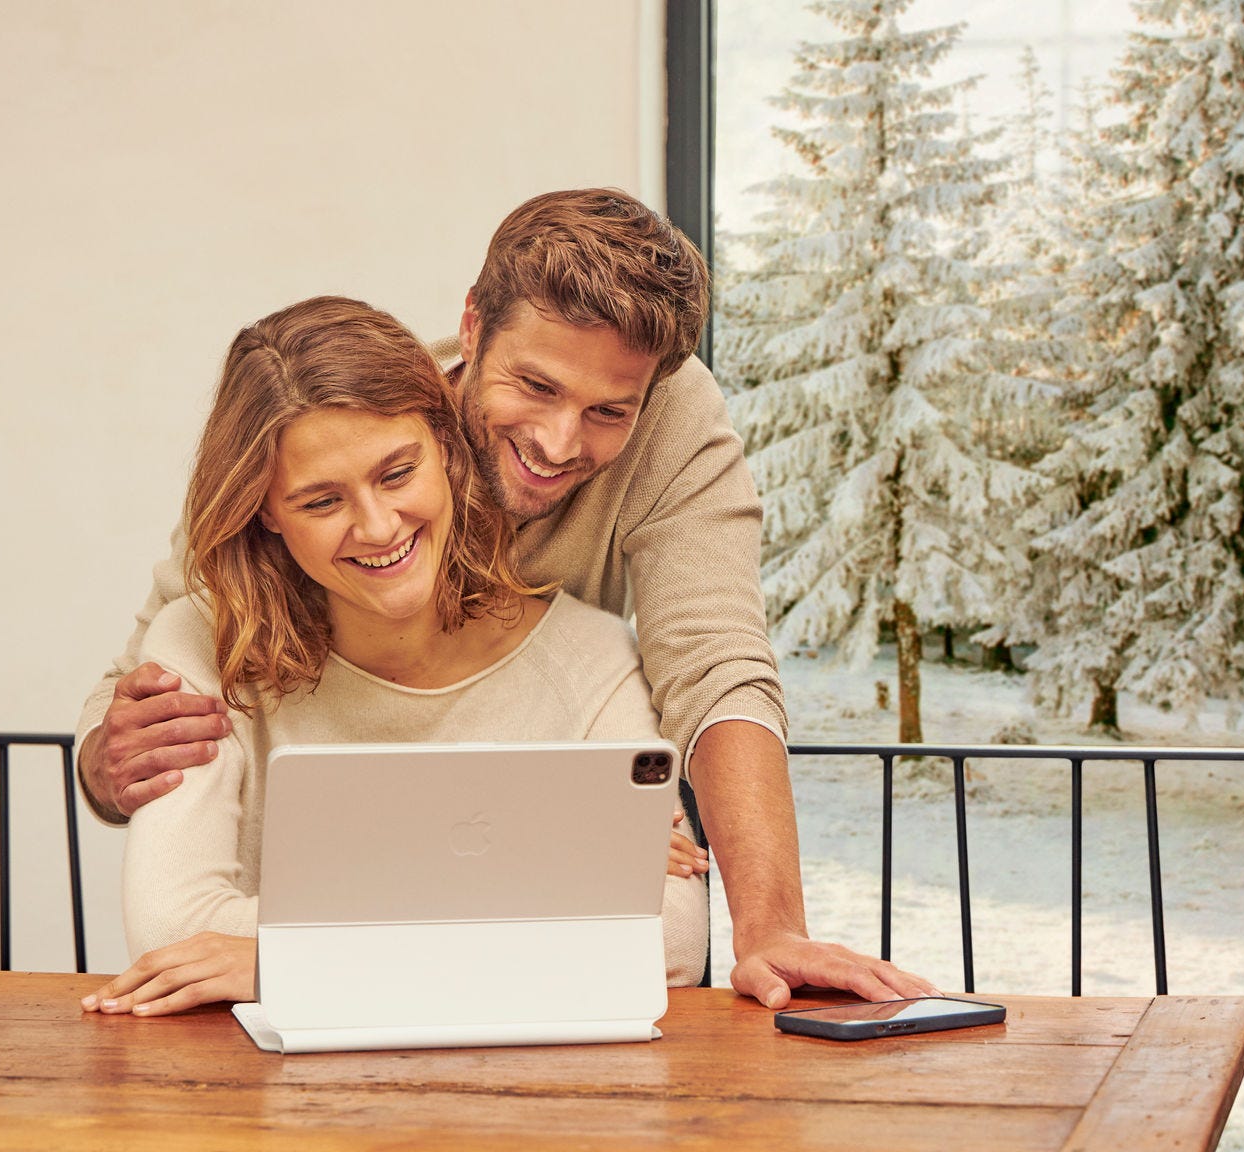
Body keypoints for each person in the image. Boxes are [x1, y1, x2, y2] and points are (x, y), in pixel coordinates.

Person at [76, 189, 938, 1008]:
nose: (559, 443)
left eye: (608, 411)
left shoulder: (604, 620)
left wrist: (770, 927)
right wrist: (549, 857)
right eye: (536, 387)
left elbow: (716, 666)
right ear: (471, 329)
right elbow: (149, 687)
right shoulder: (337, 427)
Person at [83, 297, 707, 1014]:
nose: (379, 528)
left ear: (445, 447)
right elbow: (171, 932)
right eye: (321, 502)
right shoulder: (201, 647)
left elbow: (668, 942)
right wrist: (550, 865)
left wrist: (287, 963)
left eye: (396, 474)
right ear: (266, 511)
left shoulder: (594, 659)